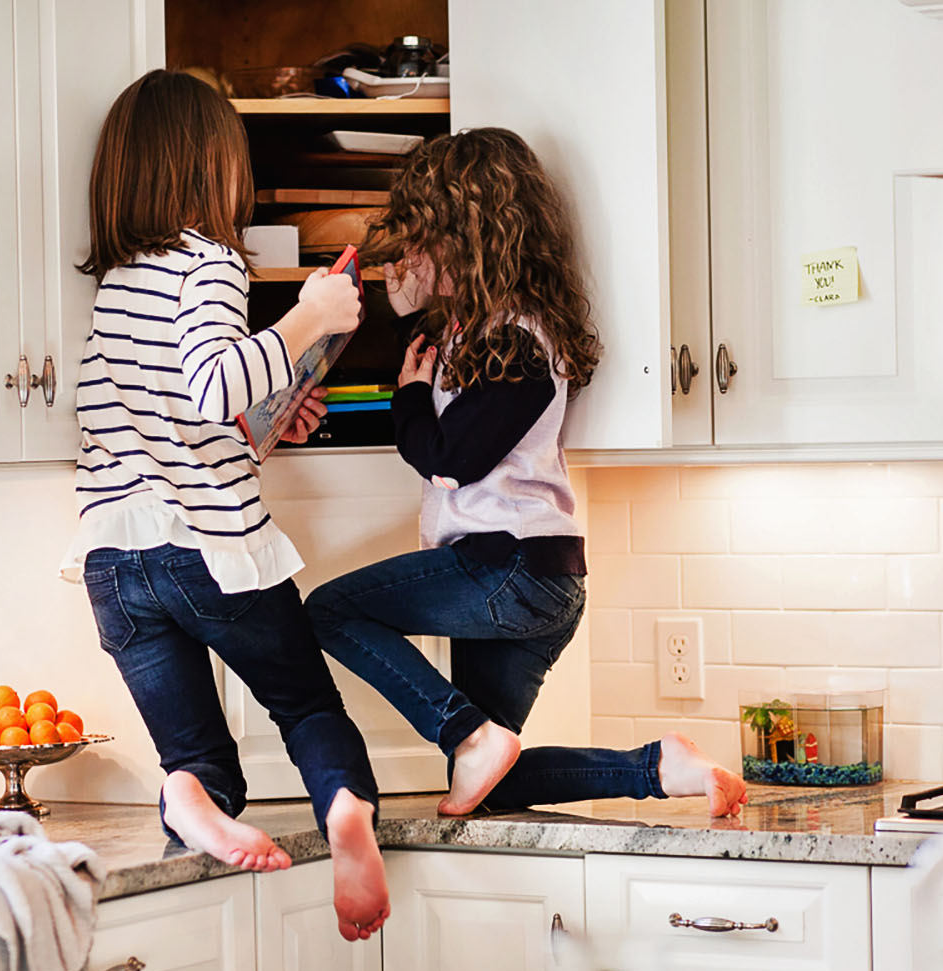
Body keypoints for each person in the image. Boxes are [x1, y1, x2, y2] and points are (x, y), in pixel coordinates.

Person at [305, 128, 748, 819]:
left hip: (510, 571)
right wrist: (406, 324)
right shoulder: (471, 333)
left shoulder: (518, 339)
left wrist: (411, 396)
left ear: (472, 238)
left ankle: (462, 731)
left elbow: (450, 460)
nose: (413, 254)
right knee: (488, 782)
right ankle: (663, 769)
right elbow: (428, 387)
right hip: (524, 579)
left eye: (426, 237)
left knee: (329, 610)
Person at [65, 69, 387, 941]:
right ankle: (348, 813)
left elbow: (172, 417)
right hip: (209, 554)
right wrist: (308, 319)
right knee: (310, 710)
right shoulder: (208, 263)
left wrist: (268, 422)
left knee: (200, 764)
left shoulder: (117, 282)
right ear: (212, 167)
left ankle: (185, 799)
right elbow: (210, 384)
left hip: (116, 566)